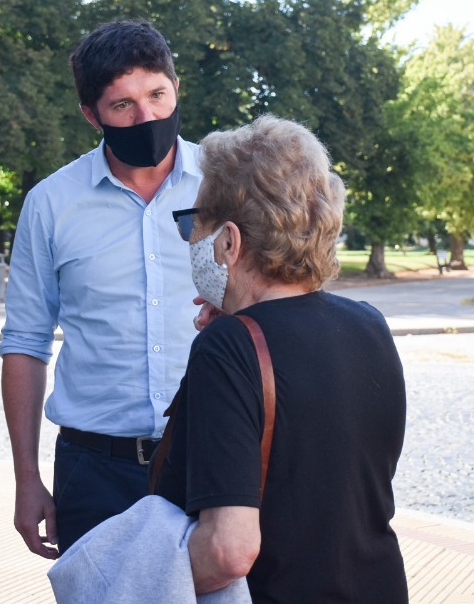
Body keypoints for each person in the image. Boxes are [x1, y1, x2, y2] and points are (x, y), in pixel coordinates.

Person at [154, 115, 409, 601]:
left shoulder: (228, 347)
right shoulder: (369, 325)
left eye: (195, 222)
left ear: (229, 241)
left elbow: (229, 551)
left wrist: (134, 571)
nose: (192, 239)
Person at [0, 20, 202, 558]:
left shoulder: (230, 182)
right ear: (91, 115)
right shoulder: (50, 203)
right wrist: (26, 479)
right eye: (123, 105)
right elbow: (24, 343)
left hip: (213, 461)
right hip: (94, 475)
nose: (147, 116)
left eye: (157, 94)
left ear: (175, 87)